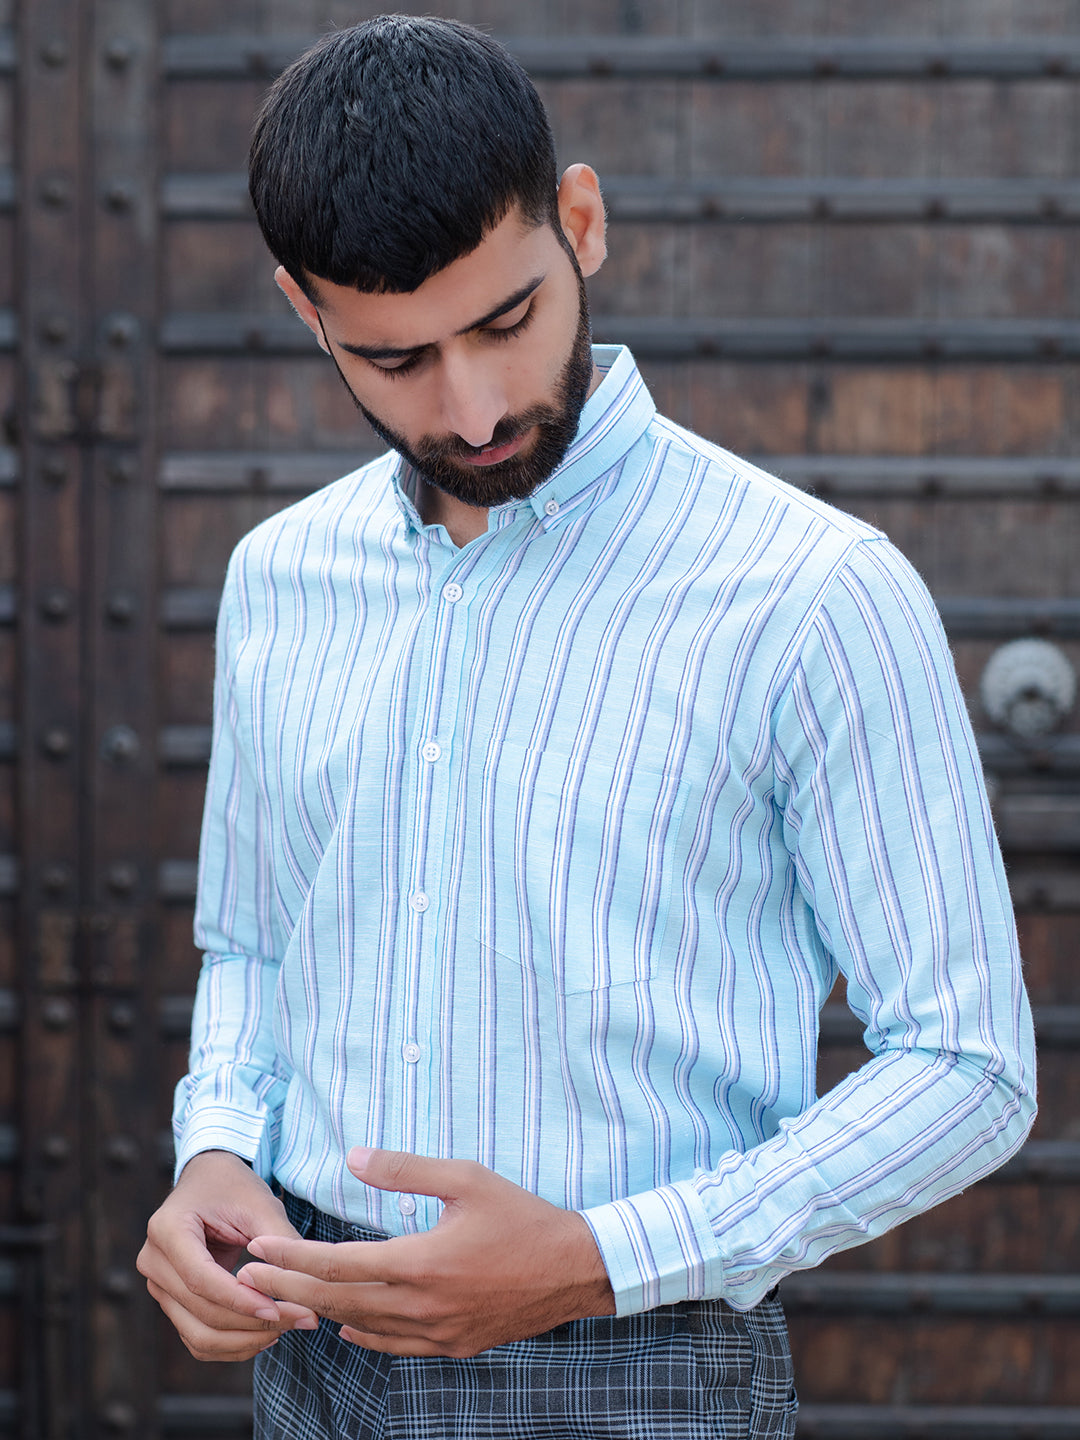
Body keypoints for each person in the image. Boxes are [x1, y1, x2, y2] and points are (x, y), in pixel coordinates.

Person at [137, 15, 1036, 1438]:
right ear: (307, 313)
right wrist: (217, 1152)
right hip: (311, 1359)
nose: (474, 407)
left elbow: (969, 1068)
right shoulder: (279, 577)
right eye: (396, 359)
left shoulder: (815, 592)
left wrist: (603, 1260)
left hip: (641, 1363)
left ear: (582, 220)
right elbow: (257, 944)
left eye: (506, 323)